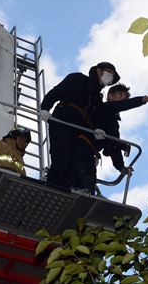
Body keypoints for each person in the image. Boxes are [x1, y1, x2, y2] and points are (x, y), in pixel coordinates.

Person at [39, 62, 120, 190]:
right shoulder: (77, 79)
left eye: (112, 75)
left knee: (76, 161)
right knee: (61, 155)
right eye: (109, 72)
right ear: (98, 71)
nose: (110, 76)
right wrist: (45, 108)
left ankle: (72, 188)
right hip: (62, 122)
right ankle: (53, 186)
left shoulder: (97, 99)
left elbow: (97, 118)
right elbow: (57, 92)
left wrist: (97, 132)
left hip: (79, 132)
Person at [93, 83, 148, 179]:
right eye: (120, 94)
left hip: (90, 152)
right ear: (110, 96)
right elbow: (124, 105)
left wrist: (121, 167)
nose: (123, 98)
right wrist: (143, 99)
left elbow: (114, 144)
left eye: (126, 97)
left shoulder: (112, 122)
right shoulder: (104, 108)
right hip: (80, 145)